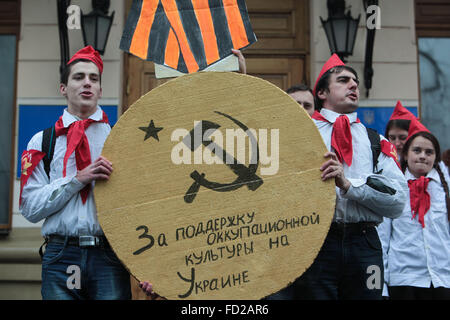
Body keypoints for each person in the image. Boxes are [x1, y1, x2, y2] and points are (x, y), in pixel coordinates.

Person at [285, 54, 408, 300]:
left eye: (355, 81)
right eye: (343, 80)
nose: (354, 85)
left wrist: (350, 185)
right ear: (321, 93)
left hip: (365, 246)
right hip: (316, 244)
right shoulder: (299, 135)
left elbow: (398, 202)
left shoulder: (377, 141)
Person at [19, 46, 131, 300]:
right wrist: (78, 179)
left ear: (101, 91)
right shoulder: (42, 141)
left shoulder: (120, 140)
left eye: (94, 78)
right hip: (61, 254)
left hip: (109, 255)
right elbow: (29, 208)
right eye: (78, 77)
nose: (87, 83)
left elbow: (139, 204)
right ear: (63, 88)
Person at [377, 119, 450, 299]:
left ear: (436, 158)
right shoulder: (393, 186)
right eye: (417, 150)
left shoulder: (445, 189)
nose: (423, 156)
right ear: (406, 154)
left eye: (429, 152)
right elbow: (382, 240)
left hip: (442, 278)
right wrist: (382, 287)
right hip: (404, 279)